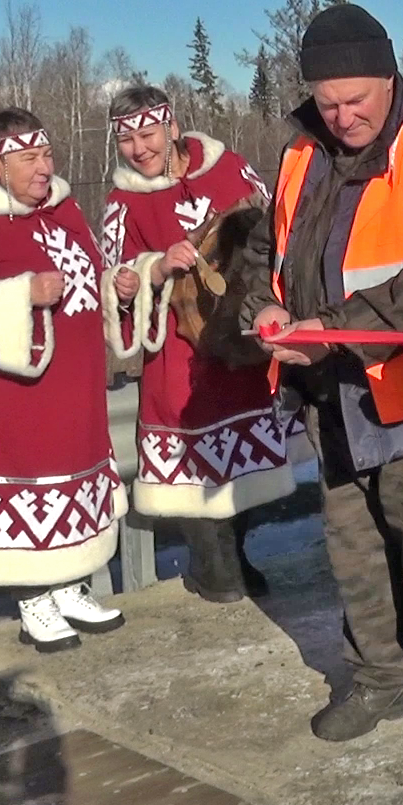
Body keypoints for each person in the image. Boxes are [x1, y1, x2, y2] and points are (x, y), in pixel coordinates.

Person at [234, 3, 403, 774]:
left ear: (390, 77)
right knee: (352, 545)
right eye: (328, 103)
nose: (344, 116)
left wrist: (326, 327)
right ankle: (380, 674)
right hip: (327, 387)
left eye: (357, 99)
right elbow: (265, 248)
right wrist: (265, 308)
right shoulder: (298, 154)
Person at [0, 109, 126, 652]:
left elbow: (90, 283)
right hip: (12, 393)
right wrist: (23, 295)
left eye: (46, 156)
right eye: (29, 159)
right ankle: (31, 599)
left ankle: (68, 584)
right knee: (25, 477)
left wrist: (122, 286)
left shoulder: (65, 212)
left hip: (75, 382)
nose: (44, 168)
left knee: (70, 470)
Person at [100, 86, 294, 604]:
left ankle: (235, 554)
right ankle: (213, 565)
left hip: (240, 345)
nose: (139, 149)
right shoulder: (124, 202)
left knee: (246, 462)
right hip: (177, 353)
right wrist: (152, 269)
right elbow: (112, 279)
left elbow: (273, 227)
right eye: (127, 140)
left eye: (147, 134)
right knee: (191, 464)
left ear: (171, 126)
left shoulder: (228, 168)